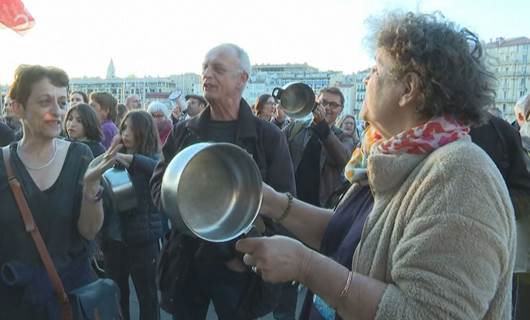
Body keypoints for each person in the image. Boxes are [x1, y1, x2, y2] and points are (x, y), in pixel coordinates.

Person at [236, 11, 515, 320]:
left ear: (408, 89)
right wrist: (272, 202)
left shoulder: (461, 177)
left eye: (377, 69)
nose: (367, 79)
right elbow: (349, 232)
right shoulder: (392, 152)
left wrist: (305, 266)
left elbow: (426, 313)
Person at [150, 43, 296, 320]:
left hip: (239, 265)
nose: (207, 74)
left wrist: (245, 257)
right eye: (204, 67)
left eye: (217, 68)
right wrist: (185, 208)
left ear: (242, 79)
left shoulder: (267, 137)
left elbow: (285, 206)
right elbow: (158, 185)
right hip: (187, 261)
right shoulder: (184, 132)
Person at [0, 64, 116, 319]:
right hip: (14, 303)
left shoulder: (80, 156)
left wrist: (91, 186)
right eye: (45, 101)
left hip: (70, 299)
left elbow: (89, 231)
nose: (57, 111)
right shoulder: (3, 162)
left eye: (62, 102)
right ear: (18, 107)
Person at [101, 110, 163, 320]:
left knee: (148, 297)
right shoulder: (116, 158)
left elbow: (157, 169)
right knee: (117, 297)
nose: (126, 133)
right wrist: (114, 151)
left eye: (131, 129)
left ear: (143, 131)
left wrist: (130, 158)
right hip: (116, 239)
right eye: (123, 128)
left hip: (143, 240)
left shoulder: (153, 159)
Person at [283, 86, 355, 207]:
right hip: (291, 201)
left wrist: (322, 125)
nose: (327, 108)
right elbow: (274, 146)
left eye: (333, 105)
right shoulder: (295, 128)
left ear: (340, 110)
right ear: (315, 103)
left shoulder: (344, 138)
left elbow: (344, 159)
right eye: (324, 102)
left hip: (321, 207)